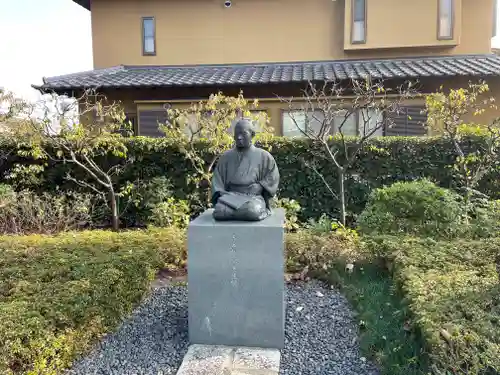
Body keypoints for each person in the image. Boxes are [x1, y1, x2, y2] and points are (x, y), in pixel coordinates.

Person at [211, 118, 280, 221]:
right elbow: (217, 180)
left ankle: (248, 211)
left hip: (252, 197)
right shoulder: (226, 157)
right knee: (219, 211)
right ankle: (240, 212)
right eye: (237, 134)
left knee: (252, 210)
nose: (239, 137)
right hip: (231, 196)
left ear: (252, 135)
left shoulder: (264, 156)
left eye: (243, 134)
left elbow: (272, 176)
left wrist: (261, 186)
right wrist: (222, 193)